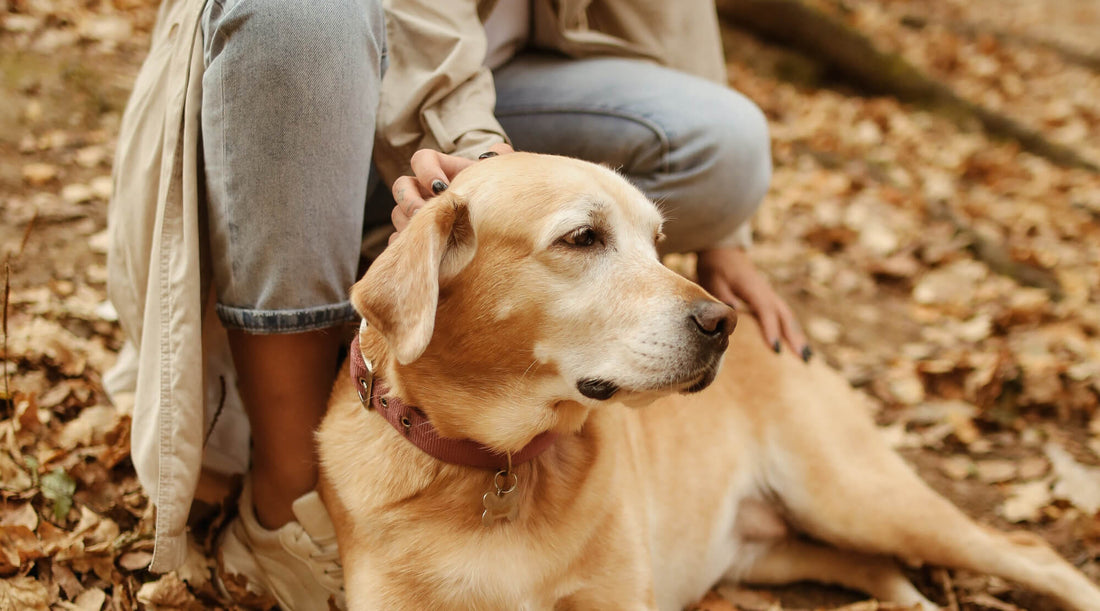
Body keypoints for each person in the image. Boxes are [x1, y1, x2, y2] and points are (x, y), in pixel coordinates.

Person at [104, 0, 807, 609]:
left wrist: (725, 236)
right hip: (302, 75)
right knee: (302, 13)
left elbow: (672, 20)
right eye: (585, 238)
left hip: (518, 84)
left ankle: (489, 275)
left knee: (732, 145)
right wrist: (476, 172)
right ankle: (284, 496)